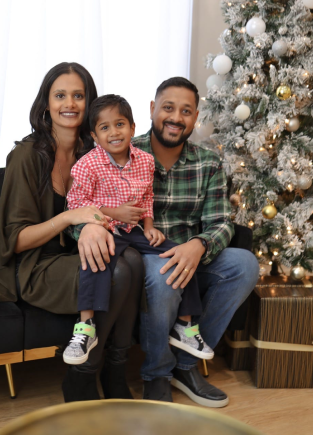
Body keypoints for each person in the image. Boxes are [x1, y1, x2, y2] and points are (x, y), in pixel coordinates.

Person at [0, 62, 144, 402]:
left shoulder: (95, 153)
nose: (69, 104)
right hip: (32, 266)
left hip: (74, 257)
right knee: (118, 268)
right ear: (46, 103)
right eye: (60, 95)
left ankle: (116, 370)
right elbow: (16, 240)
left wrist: (94, 223)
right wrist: (71, 218)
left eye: (78, 95)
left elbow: (111, 199)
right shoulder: (26, 156)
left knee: (133, 260)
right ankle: (82, 377)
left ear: (90, 104)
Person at [75, 77, 259, 408]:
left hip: (193, 252)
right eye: (168, 108)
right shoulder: (123, 150)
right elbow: (82, 204)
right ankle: (157, 373)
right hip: (146, 253)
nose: (176, 117)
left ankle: (185, 367)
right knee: (164, 274)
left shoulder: (209, 163)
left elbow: (221, 222)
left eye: (185, 111)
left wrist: (199, 245)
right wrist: (90, 226)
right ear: (151, 110)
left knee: (244, 264)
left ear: (195, 117)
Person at [62, 94, 213, 366]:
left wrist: (149, 225)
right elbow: (76, 205)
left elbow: (147, 197)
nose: (114, 132)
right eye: (104, 128)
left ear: (132, 128)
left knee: (179, 255)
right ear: (95, 136)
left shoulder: (144, 161)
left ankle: (186, 326)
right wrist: (112, 213)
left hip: (133, 231)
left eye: (119, 124)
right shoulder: (87, 165)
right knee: (96, 259)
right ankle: (85, 327)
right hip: (102, 228)